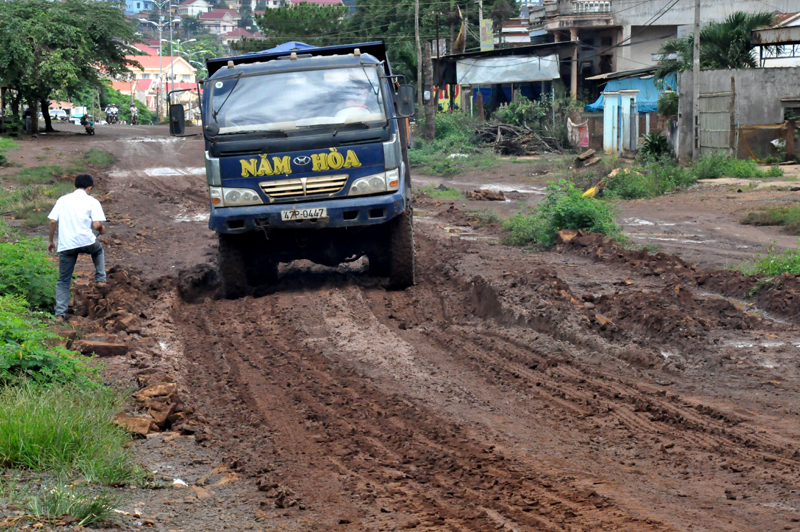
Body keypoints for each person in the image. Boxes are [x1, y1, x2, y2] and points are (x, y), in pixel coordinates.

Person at [48, 174, 107, 320]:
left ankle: (60, 314)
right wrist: (101, 230)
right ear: (89, 188)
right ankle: (100, 279)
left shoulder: (62, 200)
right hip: (86, 241)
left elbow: (53, 221)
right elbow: (97, 224)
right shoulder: (92, 201)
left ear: (74, 187)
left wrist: (51, 241)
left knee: (63, 280)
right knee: (98, 250)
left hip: (67, 245)